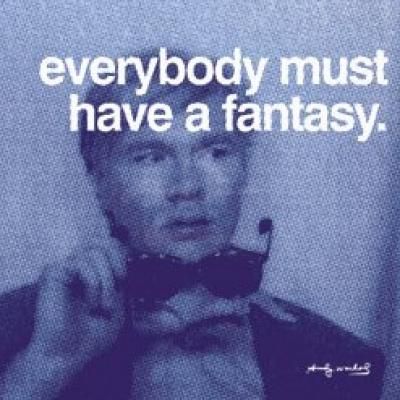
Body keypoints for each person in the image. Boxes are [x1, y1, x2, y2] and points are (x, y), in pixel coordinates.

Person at [0, 50, 384, 400]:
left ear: (244, 169)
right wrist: (47, 366)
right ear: (99, 182)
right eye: (150, 157)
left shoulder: (337, 358)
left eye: (215, 152)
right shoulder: (16, 334)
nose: (187, 187)